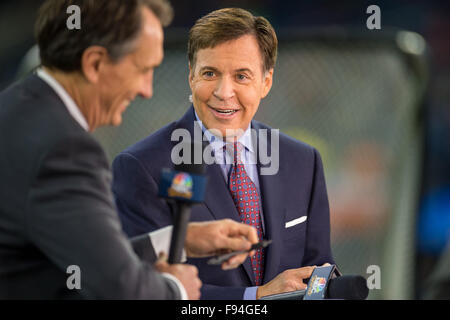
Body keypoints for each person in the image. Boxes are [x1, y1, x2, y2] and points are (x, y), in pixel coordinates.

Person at [0, 0, 259, 300]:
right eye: (143, 69)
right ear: (95, 63)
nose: (146, 90)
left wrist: (178, 240)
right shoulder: (65, 150)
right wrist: (177, 290)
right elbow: (119, 288)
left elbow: (87, 262)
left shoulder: (16, 109)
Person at [112, 8, 334, 300]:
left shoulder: (303, 162)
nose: (223, 91)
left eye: (241, 76)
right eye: (210, 73)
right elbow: (143, 287)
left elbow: (320, 276)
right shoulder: (142, 167)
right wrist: (257, 297)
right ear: (191, 76)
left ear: (266, 82)